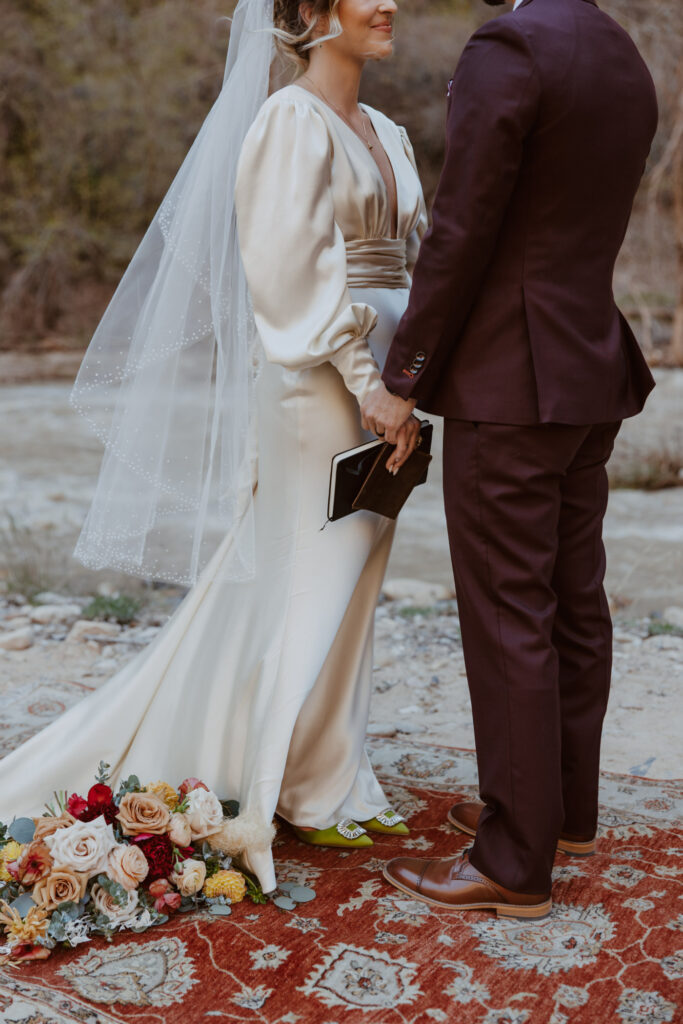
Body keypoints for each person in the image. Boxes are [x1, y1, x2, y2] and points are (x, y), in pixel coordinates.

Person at [0, 0, 427, 894]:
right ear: (312, 10)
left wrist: (420, 376)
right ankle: (289, 786)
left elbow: (413, 258)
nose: (390, 2)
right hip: (323, 383)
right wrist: (367, 382)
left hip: (397, 386)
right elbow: (288, 275)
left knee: (360, 575)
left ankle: (334, 772)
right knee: (312, 572)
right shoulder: (285, 121)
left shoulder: (384, 126)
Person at [366, 0, 658, 918]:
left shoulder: (510, 45)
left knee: (506, 613)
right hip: (585, 368)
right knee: (572, 601)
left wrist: (403, 374)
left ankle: (513, 856)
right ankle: (560, 810)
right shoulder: (621, 51)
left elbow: (462, 226)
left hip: (509, 376)